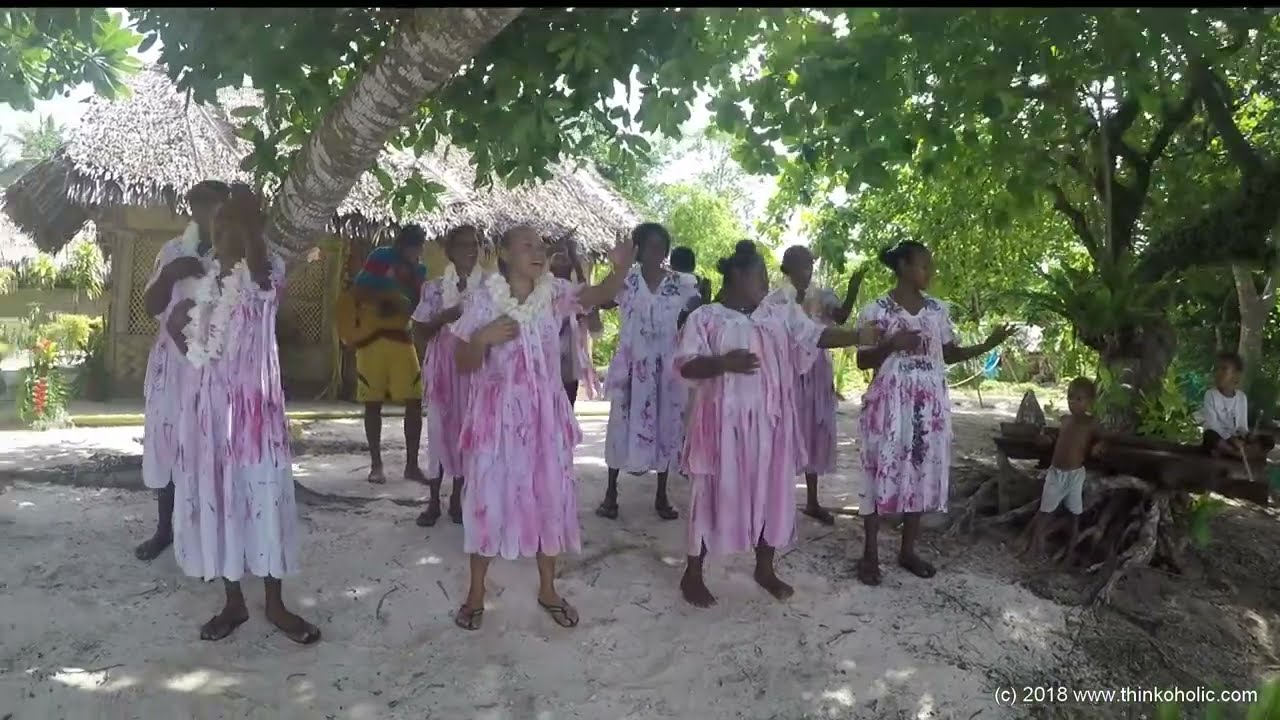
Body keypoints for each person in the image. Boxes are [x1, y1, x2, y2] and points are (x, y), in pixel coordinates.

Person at [449, 224, 633, 631]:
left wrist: (620, 269)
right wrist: (482, 339)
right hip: (496, 420)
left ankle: (547, 588)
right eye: (527, 245)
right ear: (504, 252)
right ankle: (476, 592)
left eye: (541, 246)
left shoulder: (554, 295)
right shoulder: (483, 299)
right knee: (486, 500)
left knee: (549, 498)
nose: (537, 252)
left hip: (545, 419)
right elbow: (461, 361)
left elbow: (598, 296)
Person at [165, 184, 320, 644]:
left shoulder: (264, 274)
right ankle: (234, 604)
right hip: (211, 416)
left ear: (251, 230)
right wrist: (182, 339)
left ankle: (275, 604)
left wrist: (252, 227)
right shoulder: (204, 284)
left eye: (231, 223)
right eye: (218, 225)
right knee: (222, 501)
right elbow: (184, 334)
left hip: (256, 418)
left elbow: (262, 278)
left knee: (264, 498)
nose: (221, 231)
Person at [674, 241, 863, 607]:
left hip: (771, 425)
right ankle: (692, 574)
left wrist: (858, 336)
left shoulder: (778, 313)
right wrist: (722, 363)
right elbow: (684, 365)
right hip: (720, 429)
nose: (766, 281)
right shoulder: (706, 318)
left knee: (770, 491)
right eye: (760, 274)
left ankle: (765, 568)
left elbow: (817, 336)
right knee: (708, 494)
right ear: (739, 275)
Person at [854, 240, 1015, 586]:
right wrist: (890, 345)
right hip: (889, 403)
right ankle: (869, 554)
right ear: (902, 268)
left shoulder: (937, 311)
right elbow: (862, 360)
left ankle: (907, 550)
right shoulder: (877, 310)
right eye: (923, 265)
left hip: (928, 406)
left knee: (920, 469)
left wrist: (987, 345)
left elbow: (950, 353)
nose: (930, 271)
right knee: (877, 468)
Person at [134, 179, 231, 562]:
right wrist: (172, 273)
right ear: (192, 211)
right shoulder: (174, 251)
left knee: (211, 447)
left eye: (217, 209)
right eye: (201, 209)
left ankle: (209, 530)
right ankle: (164, 530)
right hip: (173, 368)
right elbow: (151, 305)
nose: (209, 217)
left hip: (216, 370)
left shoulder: (234, 257)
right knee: (169, 444)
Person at [597, 223, 702, 521]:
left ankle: (661, 494)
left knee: (666, 426)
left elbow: (701, 313)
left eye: (661, 246)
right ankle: (610, 493)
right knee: (620, 425)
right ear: (638, 250)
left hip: (666, 369)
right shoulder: (624, 281)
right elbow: (599, 299)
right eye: (650, 246)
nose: (656, 252)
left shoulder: (681, 285)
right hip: (631, 367)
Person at [767, 245, 865, 525]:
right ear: (788, 268)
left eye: (809, 265)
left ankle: (812, 500)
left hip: (817, 371)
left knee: (813, 431)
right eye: (800, 265)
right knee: (784, 431)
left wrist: (853, 289)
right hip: (787, 372)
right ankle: (779, 500)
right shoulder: (776, 299)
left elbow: (841, 317)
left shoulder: (821, 296)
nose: (806, 271)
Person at [411, 225, 483, 527]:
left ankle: (457, 498)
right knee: (440, 432)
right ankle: (433, 501)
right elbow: (418, 332)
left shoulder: (490, 289)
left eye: (475, 244)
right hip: (443, 370)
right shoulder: (434, 288)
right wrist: (443, 317)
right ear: (449, 251)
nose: (471, 249)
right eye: (463, 244)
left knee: (468, 432)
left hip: (474, 370)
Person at [352, 225, 429, 485]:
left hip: (401, 338)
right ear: (400, 244)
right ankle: (376, 465)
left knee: (415, 400)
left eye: (418, 247)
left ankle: (412, 465)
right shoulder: (380, 257)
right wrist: (388, 294)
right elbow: (359, 290)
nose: (415, 252)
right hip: (372, 338)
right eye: (411, 246)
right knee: (372, 402)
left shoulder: (420, 271)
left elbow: (419, 306)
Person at [1023, 377, 1099, 560]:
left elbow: (1103, 438)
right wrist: (1046, 441)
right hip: (1056, 473)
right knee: (1045, 511)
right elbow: (1057, 439)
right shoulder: (1065, 420)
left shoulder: (1091, 424)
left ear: (1090, 402)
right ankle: (1035, 547)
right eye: (1070, 397)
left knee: (1075, 514)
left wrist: (1100, 446)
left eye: (1078, 399)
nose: (1072, 402)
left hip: (1075, 475)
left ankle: (1070, 552)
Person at [549, 236, 603, 406]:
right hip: (548, 354)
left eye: (565, 257)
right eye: (557, 256)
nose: (562, 259)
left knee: (566, 403)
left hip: (569, 359)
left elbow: (595, 326)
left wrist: (574, 258)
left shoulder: (574, 291)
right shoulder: (544, 287)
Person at [1201, 351, 1251, 458]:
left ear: (1236, 375)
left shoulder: (1241, 398)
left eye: (1224, 369)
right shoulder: (1210, 395)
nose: (1218, 373)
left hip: (1235, 440)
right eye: (1217, 369)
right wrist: (1230, 439)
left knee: (1264, 440)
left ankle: (1235, 451)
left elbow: (1242, 426)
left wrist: (1244, 435)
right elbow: (1212, 425)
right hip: (1220, 439)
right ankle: (1235, 454)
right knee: (1209, 435)